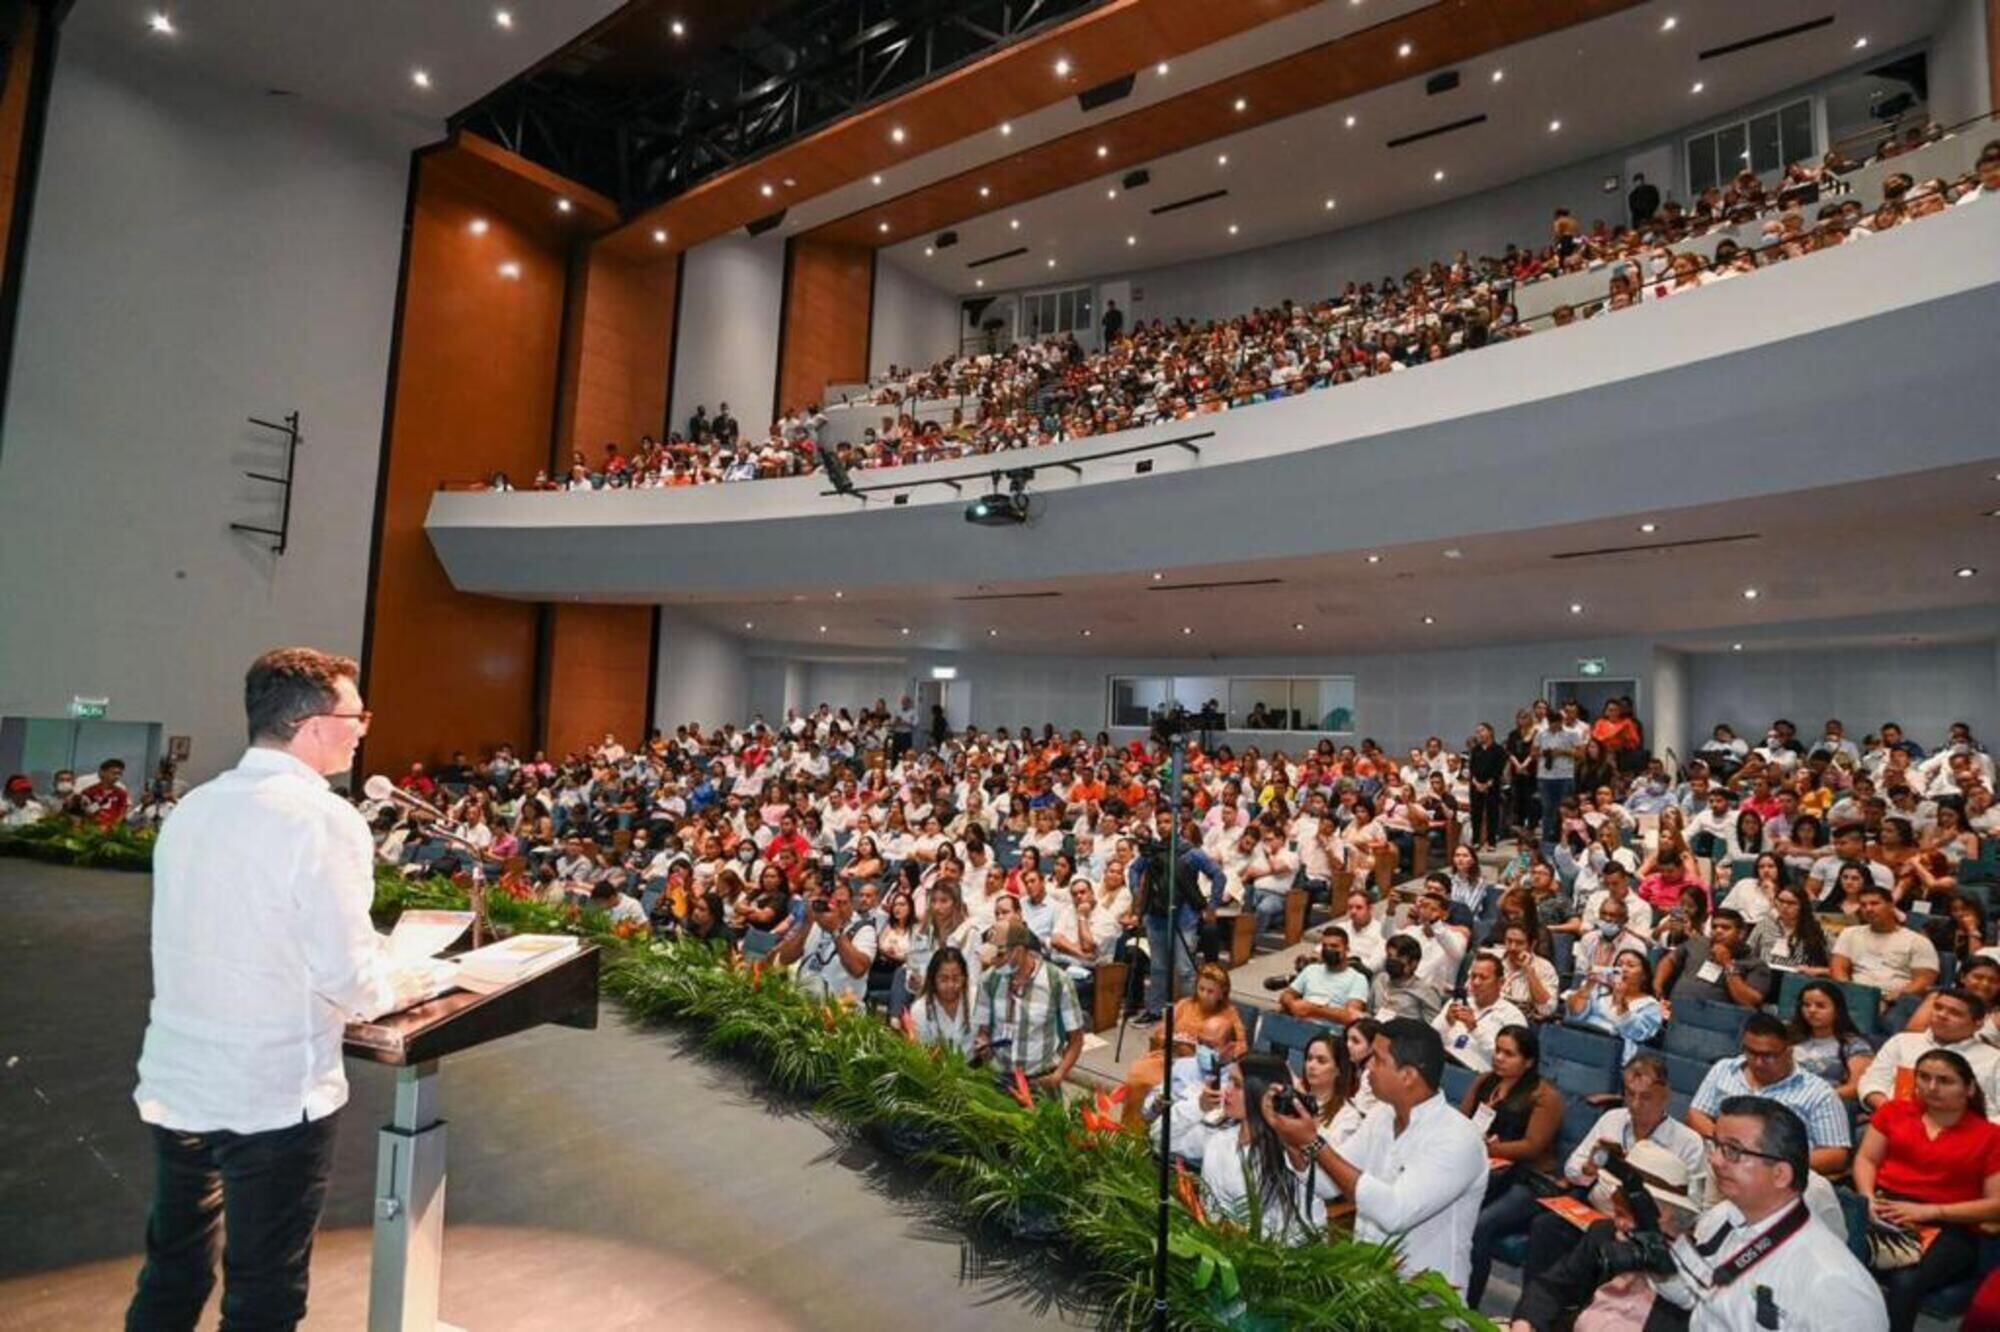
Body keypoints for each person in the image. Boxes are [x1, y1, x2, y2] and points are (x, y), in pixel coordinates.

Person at [128, 647, 433, 1329]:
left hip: (180, 1078)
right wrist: (412, 978)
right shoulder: (323, 818)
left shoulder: (195, 808)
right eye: (357, 717)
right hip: (271, 1095)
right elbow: (350, 981)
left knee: (173, 1271)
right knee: (264, 1293)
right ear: (314, 724)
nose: (363, 730)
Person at [1266, 1018, 1489, 1295]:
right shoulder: (1382, 1115)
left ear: (1408, 1076)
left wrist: (1313, 1143)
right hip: (1367, 1285)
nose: (1368, 1066)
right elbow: (1327, 1184)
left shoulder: (1458, 1138)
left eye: (1378, 1060)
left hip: (1424, 1300)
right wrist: (1291, 1139)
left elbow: (1395, 1212)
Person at [1851, 1048, 2000, 1332]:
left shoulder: (1991, 1136)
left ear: (1969, 1088)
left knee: (1905, 1280)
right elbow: (1866, 1159)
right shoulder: (1894, 1112)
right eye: (1924, 1077)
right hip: (1883, 1207)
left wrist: (1930, 1211)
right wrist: (1867, 1197)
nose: (1931, 1087)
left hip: (1950, 1223)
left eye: (1945, 1081)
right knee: (1838, 1254)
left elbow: (1996, 1205)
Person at [1462, 1025, 1564, 1307]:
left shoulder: (1544, 1096)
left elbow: (1532, 1147)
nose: (1498, 1058)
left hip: (1530, 1181)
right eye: (1497, 1050)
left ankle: (1467, 1307)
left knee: (1480, 1226)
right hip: (1486, 1169)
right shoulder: (1485, 1081)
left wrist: (1489, 1147)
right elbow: (1462, 1121)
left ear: (1528, 1061)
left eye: (1509, 1054)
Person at [1687, 1013, 1852, 1174]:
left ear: (1789, 1052)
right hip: (1719, 1162)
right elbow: (1696, 1113)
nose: (1758, 1062)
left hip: (1778, 1175)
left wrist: (1777, 1164)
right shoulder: (1724, 1069)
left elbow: (1836, 1154)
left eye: (1768, 1056)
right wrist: (1727, 1144)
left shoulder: (1819, 1093)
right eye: (1751, 1052)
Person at [1200, 1052, 1338, 1242]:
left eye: (1238, 1085)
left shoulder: (1289, 1149)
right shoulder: (1219, 1138)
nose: (1227, 1091)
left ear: (1262, 1093)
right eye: (1229, 1081)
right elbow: (1209, 1205)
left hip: (1278, 1252)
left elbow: (1312, 1212)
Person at [973, 919, 1084, 1093]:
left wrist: (1058, 1075)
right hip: (1000, 1080)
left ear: (1018, 951)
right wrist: (983, 1044)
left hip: (1041, 1081)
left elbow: (1076, 1039)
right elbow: (983, 1031)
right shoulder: (988, 980)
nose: (993, 961)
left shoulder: (1057, 981)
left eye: (1000, 956)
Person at [1857, 987, 2000, 1121]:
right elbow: (1872, 1082)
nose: (1942, 1015)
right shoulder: (1902, 1042)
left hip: (1968, 1132)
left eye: (1955, 1013)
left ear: (1978, 1023)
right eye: (1938, 1007)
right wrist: (1892, 1112)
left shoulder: (1994, 1059)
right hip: (1896, 1122)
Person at [1832, 882, 1940, 1006]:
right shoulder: (1850, 933)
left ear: (1891, 905)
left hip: (1897, 1000)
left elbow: (1924, 980)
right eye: (1863, 905)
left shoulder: (1917, 941)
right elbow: (1838, 968)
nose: (1868, 909)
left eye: (1874, 903)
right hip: (1856, 995)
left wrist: (1897, 996)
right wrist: (1848, 991)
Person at [773, 881, 878, 1004]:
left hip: (839, 1007)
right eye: (831, 902)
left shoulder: (864, 930)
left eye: (841, 903)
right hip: (803, 1000)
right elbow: (785, 959)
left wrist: (835, 931)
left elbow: (858, 970)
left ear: (852, 904)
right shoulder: (815, 923)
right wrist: (807, 923)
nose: (835, 908)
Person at [1563, 947, 1664, 1063]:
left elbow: (1638, 1034)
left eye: (1631, 966)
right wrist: (1587, 987)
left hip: (1612, 1053)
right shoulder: (1598, 989)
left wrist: (1621, 1001)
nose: (1623, 969)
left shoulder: (1650, 1005)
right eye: (1619, 965)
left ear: (1644, 976)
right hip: (1579, 1042)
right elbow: (1575, 1014)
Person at [1433, 953, 1528, 1073]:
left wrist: (1475, 1030)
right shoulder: (1456, 1003)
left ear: (1500, 982)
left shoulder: (1513, 1016)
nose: (1476, 982)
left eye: (1483, 978)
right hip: (1442, 1065)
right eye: (1473, 976)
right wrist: (1446, 1022)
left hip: (1478, 1075)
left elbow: (1509, 1060)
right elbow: (1430, 1039)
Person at [1786, 979, 1874, 1101]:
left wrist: (1812, 1099)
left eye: (1820, 1006)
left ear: (1837, 1010)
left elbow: (1855, 1087)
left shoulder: (1854, 1045)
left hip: (1827, 1102)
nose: (1811, 1010)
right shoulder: (1787, 1038)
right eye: (1806, 1005)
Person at [1279, 925, 1371, 1024]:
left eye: (1334, 946)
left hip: (1331, 1029)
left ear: (1347, 949)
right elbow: (1286, 994)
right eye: (1324, 946)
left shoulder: (1358, 979)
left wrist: (1314, 1010)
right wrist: (1292, 1005)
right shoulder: (1311, 970)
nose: (1328, 949)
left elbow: (1351, 1016)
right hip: (1301, 1023)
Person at [902, 946, 977, 1056]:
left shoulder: (976, 999)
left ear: (964, 977)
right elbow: (921, 1053)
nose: (951, 985)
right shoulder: (920, 1009)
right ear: (933, 979)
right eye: (944, 979)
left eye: (956, 978)